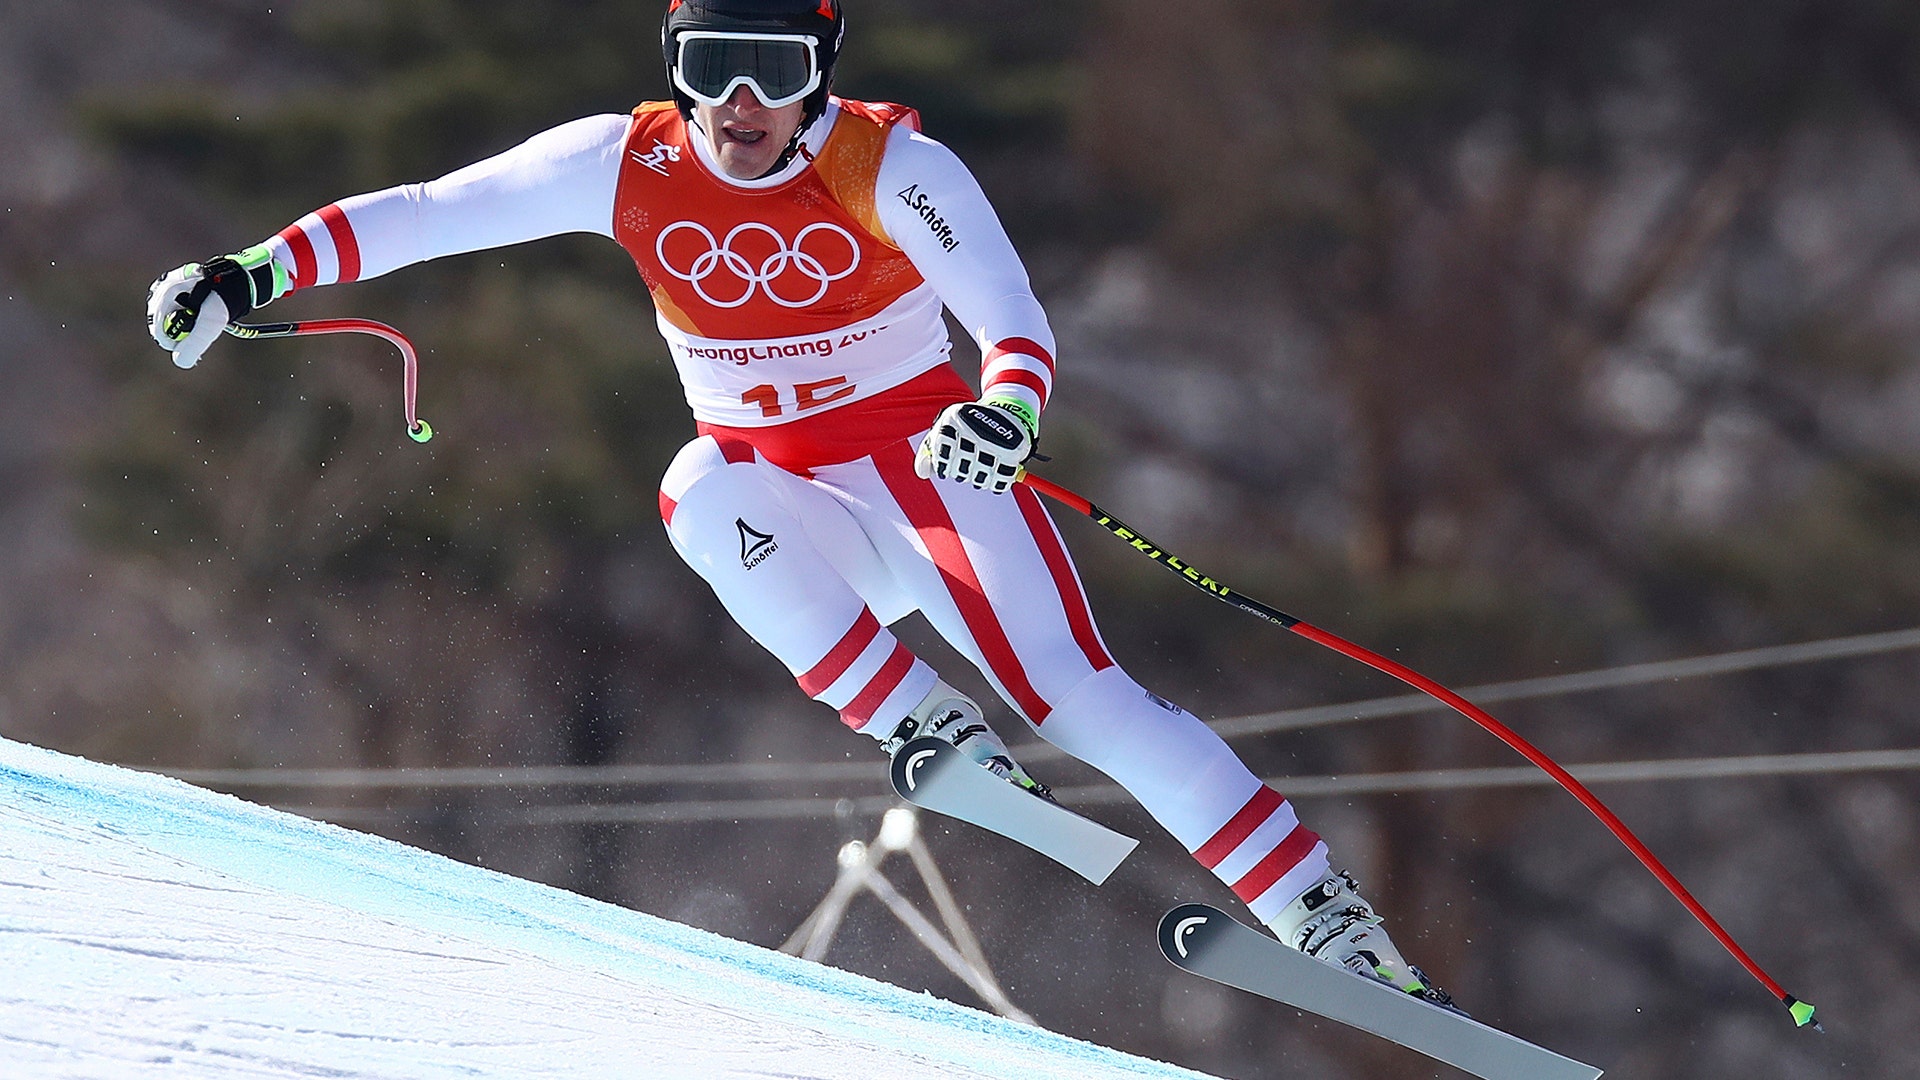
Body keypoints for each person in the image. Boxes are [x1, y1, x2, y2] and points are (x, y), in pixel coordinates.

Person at [145, 0, 1449, 1004]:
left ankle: (1327, 922)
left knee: (1083, 700)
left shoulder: (887, 167)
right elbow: (431, 213)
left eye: (774, 65)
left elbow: (1009, 315)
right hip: (796, 508)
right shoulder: (625, 163)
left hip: (931, 480)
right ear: (673, 64)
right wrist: (244, 275)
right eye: (713, 65)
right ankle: (923, 725)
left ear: (823, 67)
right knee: (695, 488)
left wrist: (1003, 411)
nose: (744, 101)